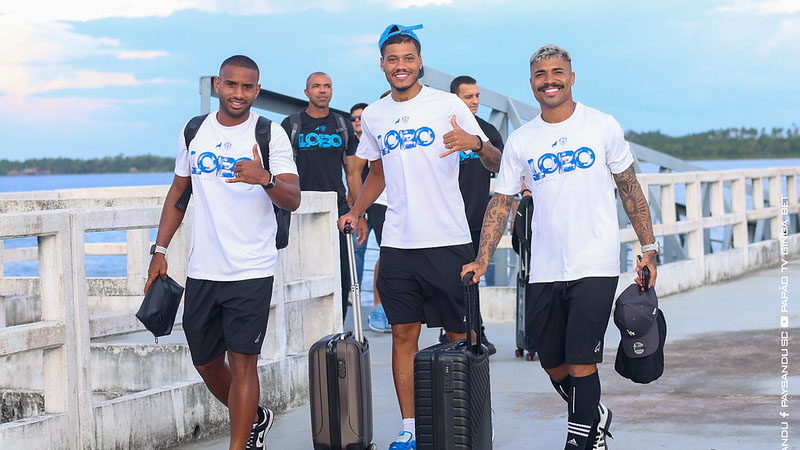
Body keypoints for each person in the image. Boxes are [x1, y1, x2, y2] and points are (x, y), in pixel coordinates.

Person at [462, 44, 659, 450]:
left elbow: (629, 188)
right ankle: (594, 415)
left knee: (582, 361)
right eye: (540, 74)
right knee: (554, 363)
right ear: (531, 83)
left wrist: (649, 247)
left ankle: (579, 440)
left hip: (595, 262)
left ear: (571, 78)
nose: (549, 80)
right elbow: (502, 200)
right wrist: (482, 259)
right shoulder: (522, 140)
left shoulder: (601, 126)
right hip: (545, 266)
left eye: (557, 72)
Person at [338, 24, 502, 450]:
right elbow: (377, 172)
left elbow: (495, 162)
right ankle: (410, 427)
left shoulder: (447, 104)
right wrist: (356, 210)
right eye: (393, 59)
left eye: (408, 58)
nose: (401, 66)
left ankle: (471, 418)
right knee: (403, 335)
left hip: (448, 240)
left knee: (460, 336)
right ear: (382, 65)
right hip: (398, 243)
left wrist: (475, 142)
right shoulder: (374, 115)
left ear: (420, 62)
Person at [145, 55, 300, 450]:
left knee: (244, 362)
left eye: (247, 87)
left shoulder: (270, 134)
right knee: (205, 361)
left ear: (257, 90)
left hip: (251, 268)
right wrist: (159, 250)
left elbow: (293, 198)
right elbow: (179, 192)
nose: (238, 93)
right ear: (218, 84)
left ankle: (240, 443)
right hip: (203, 268)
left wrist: (264, 177)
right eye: (232, 84)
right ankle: (255, 418)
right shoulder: (194, 130)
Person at [280, 72, 363, 321]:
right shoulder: (291, 125)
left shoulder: (342, 125)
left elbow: (352, 173)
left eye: (327, 86)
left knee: (342, 274)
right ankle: (299, 324)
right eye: (316, 86)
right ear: (307, 92)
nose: (322, 90)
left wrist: (359, 213)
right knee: (297, 271)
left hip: (336, 210)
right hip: (298, 208)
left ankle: (337, 328)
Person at [438, 75, 506, 354]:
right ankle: (455, 330)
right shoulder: (440, 129)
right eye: (469, 97)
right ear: (455, 99)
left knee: (473, 280)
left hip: (479, 218)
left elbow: (505, 169)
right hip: (447, 220)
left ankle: (478, 333)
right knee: (450, 282)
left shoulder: (488, 131)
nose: (475, 101)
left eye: (477, 96)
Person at [349, 101, 392, 333]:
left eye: (361, 117)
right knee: (378, 254)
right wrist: (358, 210)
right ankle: (376, 308)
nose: (358, 121)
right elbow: (353, 172)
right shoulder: (365, 137)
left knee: (391, 254)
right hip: (375, 203)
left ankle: (386, 307)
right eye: (354, 118)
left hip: (396, 202)